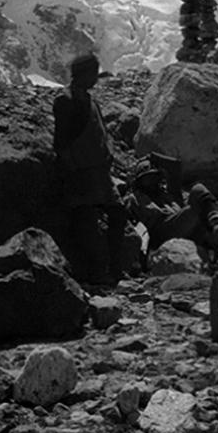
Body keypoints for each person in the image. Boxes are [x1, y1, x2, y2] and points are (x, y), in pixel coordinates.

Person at [53, 53, 126, 288]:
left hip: (99, 171)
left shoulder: (89, 100)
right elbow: (61, 142)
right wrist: (72, 168)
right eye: (93, 73)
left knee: (118, 213)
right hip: (82, 172)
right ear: (84, 74)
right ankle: (97, 272)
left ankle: (114, 268)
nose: (96, 78)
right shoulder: (66, 100)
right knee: (87, 223)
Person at [126, 155, 218, 265]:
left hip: (183, 225)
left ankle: (215, 229)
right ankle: (211, 240)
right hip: (162, 232)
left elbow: (175, 166)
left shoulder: (169, 193)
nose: (151, 182)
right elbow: (133, 224)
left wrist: (154, 156)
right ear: (140, 182)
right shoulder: (135, 198)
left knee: (199, 190)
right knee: (196, 205)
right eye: (147, 179)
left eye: (153, 177)